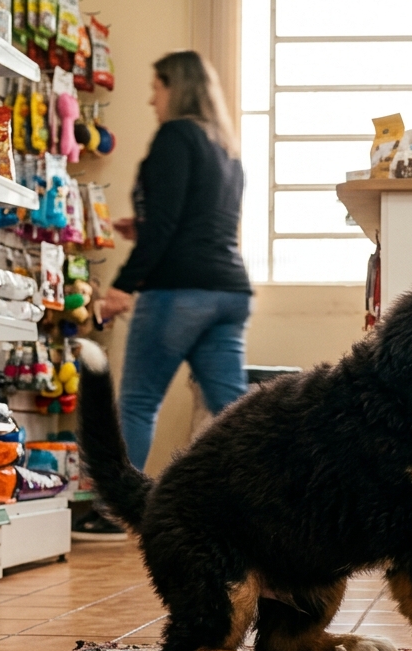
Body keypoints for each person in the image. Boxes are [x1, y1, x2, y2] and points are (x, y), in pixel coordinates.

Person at [74, 51, 253, 540]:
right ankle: (269, 503)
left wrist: (122, 288)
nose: (151, 98)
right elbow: (199, 222)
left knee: (136, 402)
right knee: (234, 411)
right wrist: (146, 227)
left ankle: (116, 512)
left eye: (156, 87)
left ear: (176, 86)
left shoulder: (177, 136)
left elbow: (170, 226)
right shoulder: (226, 148)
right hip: (230, 291)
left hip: (179, 292)